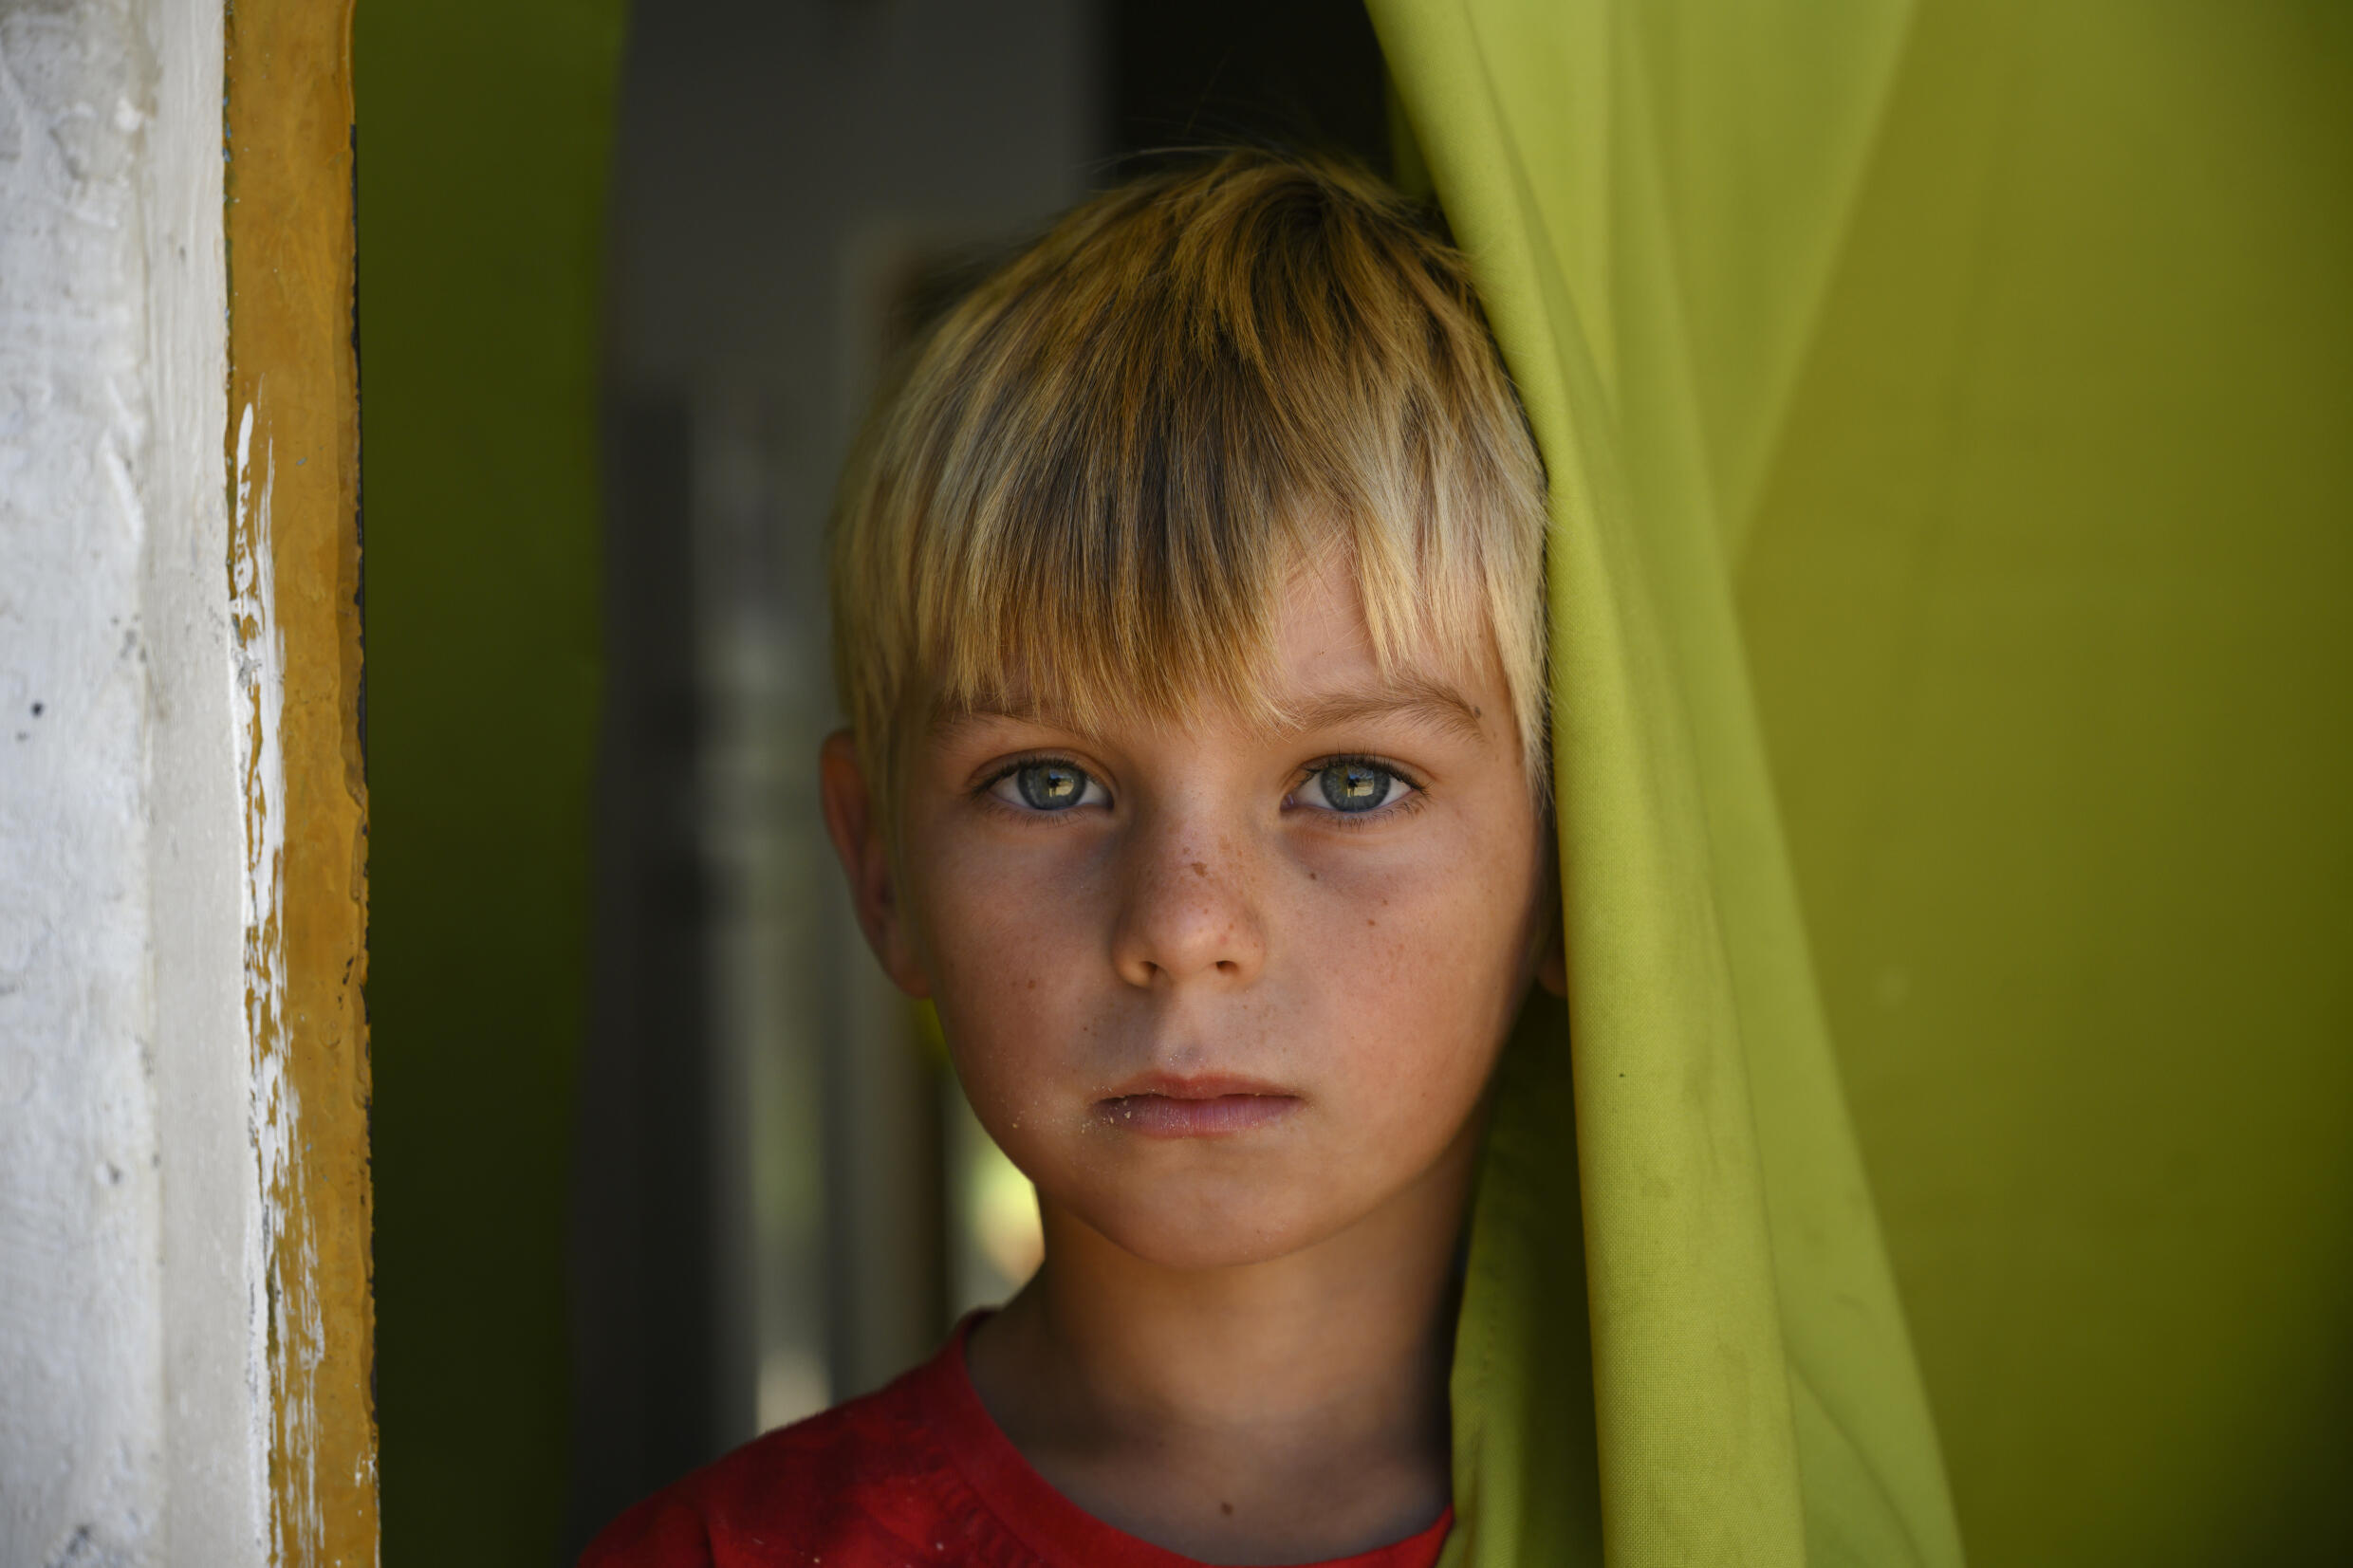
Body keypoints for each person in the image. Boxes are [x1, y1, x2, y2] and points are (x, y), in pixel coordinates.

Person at [582, 147, 1561, 1568]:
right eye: (1049, 782)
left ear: (1569, 871)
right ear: (879, 866)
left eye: (1351, 782)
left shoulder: (1728, 1517)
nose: (1184, 922)